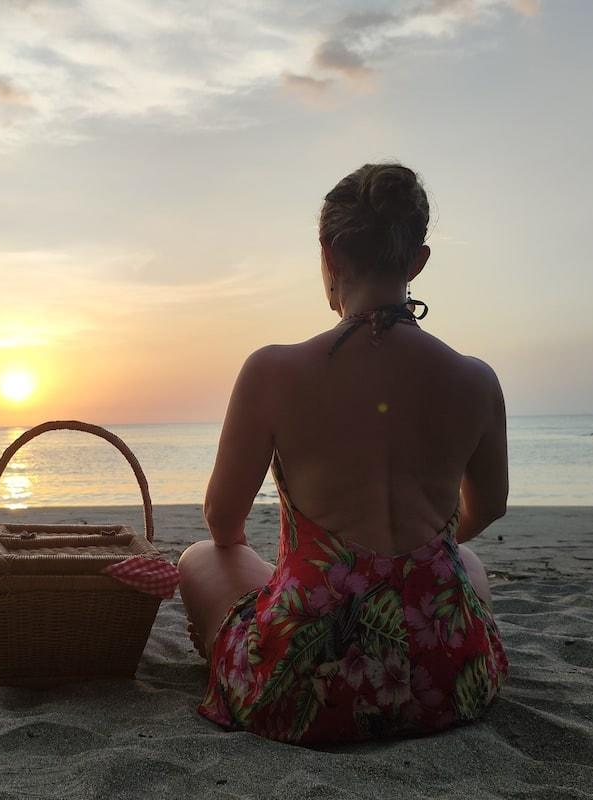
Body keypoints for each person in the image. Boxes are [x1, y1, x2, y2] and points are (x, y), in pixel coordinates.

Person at [176, 163, 509, 745]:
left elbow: (223, 521)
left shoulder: (273, 371)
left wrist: (301, 574)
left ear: (329, 255)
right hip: (446, 676)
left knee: (201, 557)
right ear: (417, 261)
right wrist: (403, 565)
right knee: (466, 563)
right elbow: (489, 507)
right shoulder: (476, 380)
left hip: (307, 680)